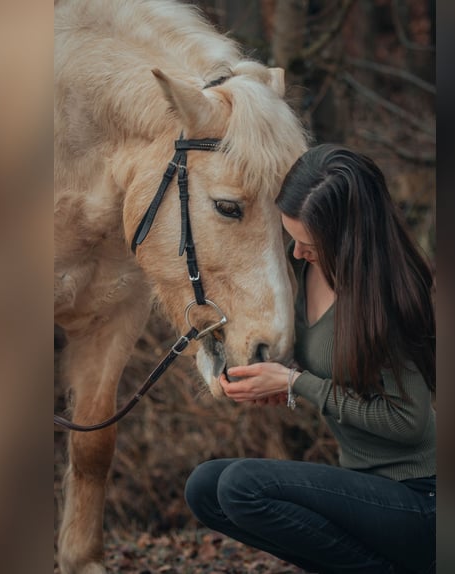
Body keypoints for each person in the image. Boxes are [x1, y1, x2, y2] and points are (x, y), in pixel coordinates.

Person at [184, 144, 436, 574]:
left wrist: (294, 385)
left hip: (420, 501)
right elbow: (336, 372)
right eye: (292, 238)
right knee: (205, 487)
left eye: (308, 244)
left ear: (347, 235)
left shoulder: (389, 297)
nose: (297, 253)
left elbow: (408, 422)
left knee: (243, 487)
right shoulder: (307, 268)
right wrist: (275, 380)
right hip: (363, 488)